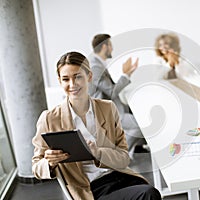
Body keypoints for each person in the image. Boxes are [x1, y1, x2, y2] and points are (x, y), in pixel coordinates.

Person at [32, 51, 161, 200]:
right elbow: (36, 167)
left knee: (149, 192)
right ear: (60, 82)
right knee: (149, 194)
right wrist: (49, 162)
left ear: (89, 77)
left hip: (120, 177)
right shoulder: (49, 119)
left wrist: (98, 153)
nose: (72, 84)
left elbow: (124, 157)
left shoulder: (107, 108)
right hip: (91, 190)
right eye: (66, 79)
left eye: (78, 77)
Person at [88, 34, 148, 158]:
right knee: (140, 125)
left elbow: (109, 88)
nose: (112, 49)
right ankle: (119, 153)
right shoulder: (95, 67)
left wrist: (128, 73)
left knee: (137, 119)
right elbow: (111, 91)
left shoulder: (98, 64)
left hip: (111, 109)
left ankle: (127, 153)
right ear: (105, 46)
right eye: (111, 45)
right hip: (105, 113)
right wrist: (125, 75)